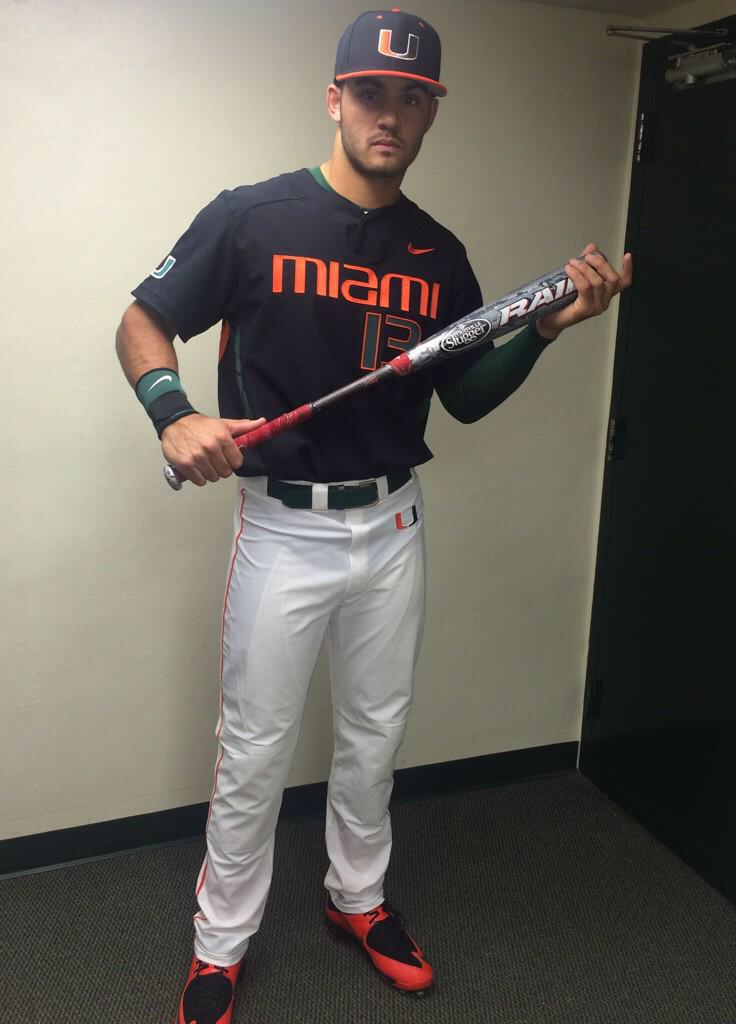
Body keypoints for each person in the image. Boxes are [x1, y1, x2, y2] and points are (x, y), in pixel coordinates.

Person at [116, 9, 632, 1023]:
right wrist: (172, 414)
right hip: (284, 531)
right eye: (370, 93)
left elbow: (468, 394)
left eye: (410, 98)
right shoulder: (251, 215)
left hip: (393, 527)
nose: (388, 114)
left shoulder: (438, 254)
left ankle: (357, 898)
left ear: (430, 113)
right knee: (256, 745)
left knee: (373, 730)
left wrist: (553, 329)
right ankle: (218, 946)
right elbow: (144, 318)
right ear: (335, 97)